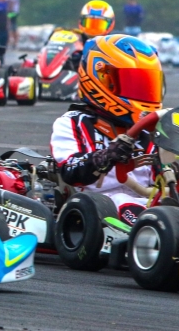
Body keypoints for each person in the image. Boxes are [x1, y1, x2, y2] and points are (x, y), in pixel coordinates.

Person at [50, 34, 164, 224]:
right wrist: (105, 156)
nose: (142, 93)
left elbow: (160, 181)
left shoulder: (149, 130)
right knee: (129, 206)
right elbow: (70, 171)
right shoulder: (72, 123)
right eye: (133, 85)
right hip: (95, 208)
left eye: (146, 85)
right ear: (100, 79)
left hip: (145, 204)